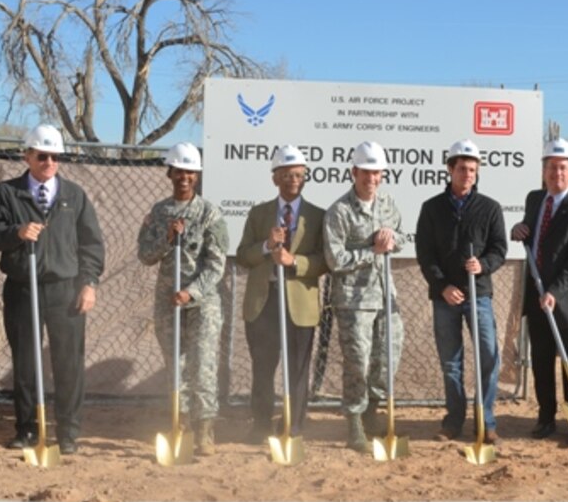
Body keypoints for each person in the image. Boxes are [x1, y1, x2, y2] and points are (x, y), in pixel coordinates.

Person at [0, 124, 104, 455]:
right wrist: (16, 233)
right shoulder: (7, 193)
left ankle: (67, 432)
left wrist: (89, 284)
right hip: (23, 289)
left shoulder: (74, 196)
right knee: (25, 362)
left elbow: (92, 245)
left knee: (69, 363)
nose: (48, 162)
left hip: (66, 291)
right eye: (41, 156)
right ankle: (27, 428)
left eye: (54, 156)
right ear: (27, 156)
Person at [137, 142, 229, 455]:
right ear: (170, 173)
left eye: (190, 172)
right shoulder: (159, 212)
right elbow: (145, 255)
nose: (184, 178)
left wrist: (192, 291)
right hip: (167, 301)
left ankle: (205, 430)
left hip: (202, 303)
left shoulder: (209, 213)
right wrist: (167, 240)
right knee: (175, 365)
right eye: (179, 171)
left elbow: (216, 264)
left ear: (197, 175)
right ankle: (182, 422)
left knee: (202, 365)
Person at [415, 139, 507, 443]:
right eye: (462, 169)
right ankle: (454, 420)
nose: (468, 174)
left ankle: (486, 420)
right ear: (450, 169)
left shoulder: (491, 208)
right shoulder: (432, 209)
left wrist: (483, 265)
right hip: (446, 298)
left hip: (479, 294)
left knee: (489, 357)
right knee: (451, 362)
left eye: (472, 169)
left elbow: (499, 249)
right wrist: (442, 286)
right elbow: (425, 253)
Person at [511, 139, 568, 447]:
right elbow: (533, 234)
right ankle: (546, 417)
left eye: (562, 168)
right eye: (551, 167)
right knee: (541, 361)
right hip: (537, 298)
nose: (556, 173)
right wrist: (519, 230)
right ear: (544, 170)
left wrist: (554, 291)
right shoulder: (535, 199)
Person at [236, 145, 328, 442]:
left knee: (298, 369)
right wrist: (266, 246)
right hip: (264, 302)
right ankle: (261, 424)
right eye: (286, 174)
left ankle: (294, 425)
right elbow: (242, 256)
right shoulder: (259, 213)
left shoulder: (317, 216)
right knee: (263, 367)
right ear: (275, 178)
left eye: (299, 175)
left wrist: (294, 261)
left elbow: (324, 261)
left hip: (299, 304)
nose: (293, 180)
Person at [323, 141, 408, 452]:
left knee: (388, 355)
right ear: (354, 172)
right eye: (365, 173)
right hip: (353, 299)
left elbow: (399, 235)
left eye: (377, 173)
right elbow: (335, 259)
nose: (371, 179)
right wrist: (371, 250)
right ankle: (355, 421)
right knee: (357, 360)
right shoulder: (339, 211)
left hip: (386, 294)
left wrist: (391, 238)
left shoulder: (387, 204)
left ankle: (373, 409)